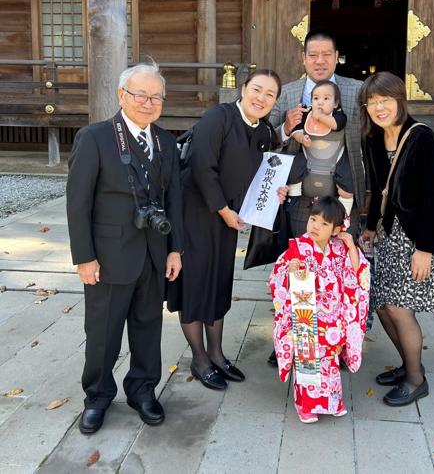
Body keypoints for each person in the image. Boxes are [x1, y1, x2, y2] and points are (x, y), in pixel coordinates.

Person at [66, 61, 184, 435]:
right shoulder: (95, 137)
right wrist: (84, 257)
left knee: (148, 327)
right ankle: (97, 397)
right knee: (103, 332)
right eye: (140, 95)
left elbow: (175, 199)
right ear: (121, 96)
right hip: (107, 256)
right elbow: (77, 202)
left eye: (156, 97)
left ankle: (142, 389)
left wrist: (175, 249)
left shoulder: (166, 141)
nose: (148, 103)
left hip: (153, 254)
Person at [169, 69, 285, 390]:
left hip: (228, 219)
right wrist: (224, 210)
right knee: (196, 285)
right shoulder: (218, 117)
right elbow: (201, 167)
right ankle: (200, 357)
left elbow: (263, 175)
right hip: (198, 213)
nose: (261, 98)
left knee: (219, 283)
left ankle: (217, 354)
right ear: (243, 89)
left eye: (269, 94)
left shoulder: (263, 131)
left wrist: (273, 193)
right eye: (256, 89)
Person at [359, 71, 434, 407]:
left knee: (400, 308)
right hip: (391, 229)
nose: (379, 108)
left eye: (385, 100)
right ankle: (408, 365)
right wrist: (370, 227)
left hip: (425, 232)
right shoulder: (372, 138)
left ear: (400, 100)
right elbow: (378, 188)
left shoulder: (422, 137)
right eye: (372, 103)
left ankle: (416, 380)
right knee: (384, 305)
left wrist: (426, 249)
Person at [269, 197, 369, 424]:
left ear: (336, 229)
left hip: (333, 320)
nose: (315, 226)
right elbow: (277, 277)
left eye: (324, 224)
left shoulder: (340, 249)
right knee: (307, 361)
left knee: (330, 362)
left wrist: (352, 246)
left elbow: (358, 272)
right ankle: (306, 405)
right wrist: (289, 270)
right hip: (306, 315)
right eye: (313, 219)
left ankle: (332, 402)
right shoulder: (298, 247)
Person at [269, 29, 366, 238]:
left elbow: (370, 141)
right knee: (301, 263)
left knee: (341, 262)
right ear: (303, 58)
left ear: (336, 56)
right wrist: (286, 128)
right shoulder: (285, 93)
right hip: (299, 199)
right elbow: (266, 140)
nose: (319, 61)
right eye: (313, 55)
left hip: (344, 195)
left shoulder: (358, 91)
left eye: (327, 54)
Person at [287, 79, 354, 218]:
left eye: (326, 98)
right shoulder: (308, 115)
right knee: (295, 165)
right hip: (309, 154)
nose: (320, 102)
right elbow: (296, 130)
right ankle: (293, 194)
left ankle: (345, 211)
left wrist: (321, 117)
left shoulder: (338, 115)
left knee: (347, 178)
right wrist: (301, 138)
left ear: (335, 103)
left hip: (336, 157)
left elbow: (337, 125)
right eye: (316, 98)